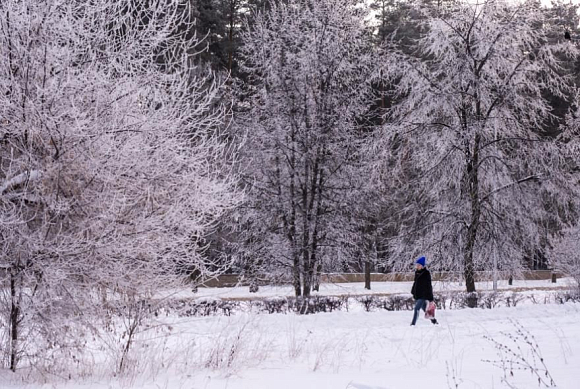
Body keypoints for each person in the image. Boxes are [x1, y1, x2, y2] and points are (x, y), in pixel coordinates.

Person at [410, 256, 438, 326]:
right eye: (417, 265)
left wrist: (430, 298)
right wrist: (413, 291)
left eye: (419, 265)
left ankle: (413, 324)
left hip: (423, 295)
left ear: (422, 266)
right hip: (417, 295)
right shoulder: (417, 273)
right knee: (426, 310)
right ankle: (434, 321)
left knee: (416, 309)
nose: (417, 266)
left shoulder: (426, 273)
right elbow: (415, 283)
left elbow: (429, 285)